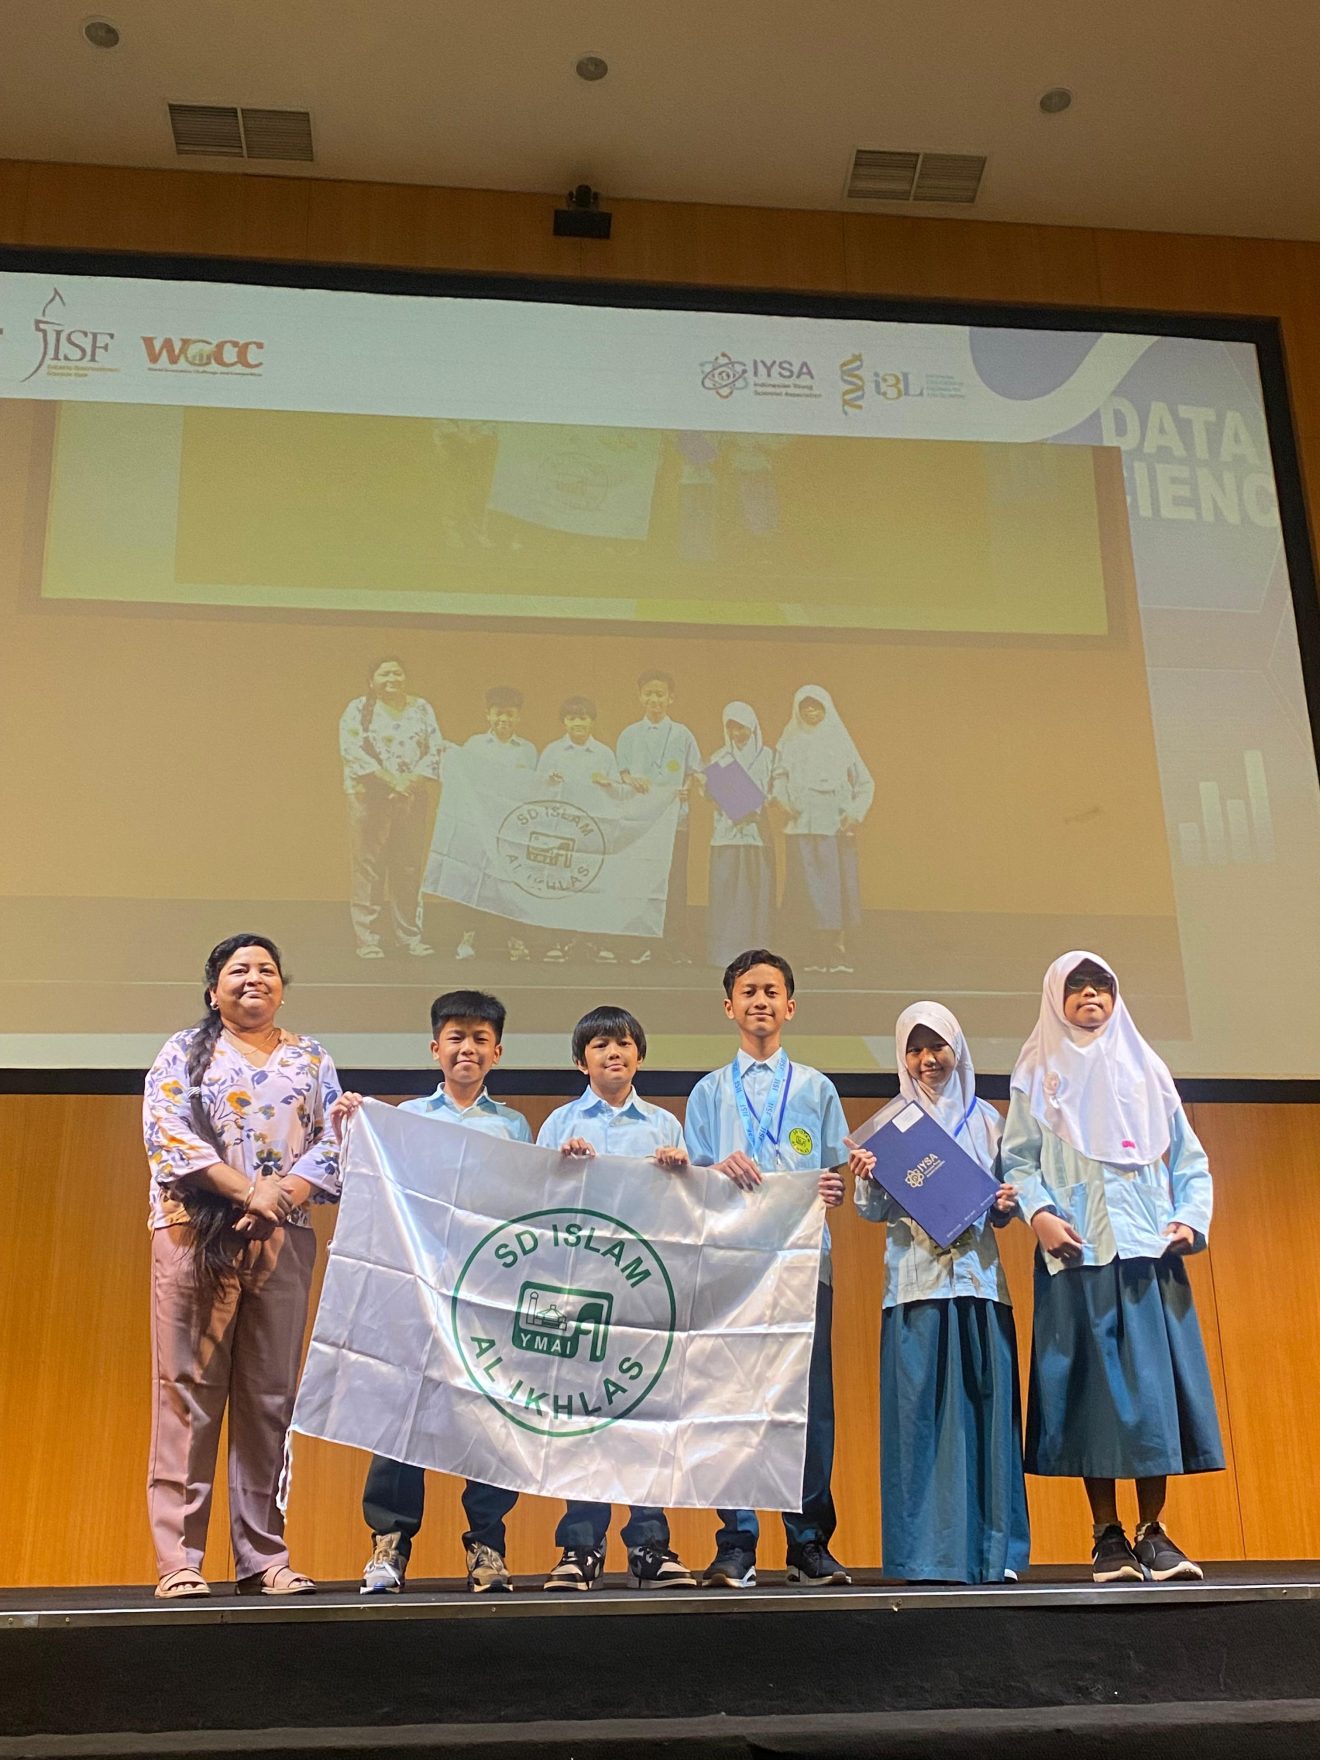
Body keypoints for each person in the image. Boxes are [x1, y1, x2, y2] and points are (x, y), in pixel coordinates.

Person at [1001, 952, 1223, 1584]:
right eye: (1076, 988)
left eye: (1101, 986)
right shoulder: (1036, 1071)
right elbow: (1017, 1161)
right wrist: (1040, 1214)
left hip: (1148, 1256)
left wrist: (1190, 1218)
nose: (1090, 996)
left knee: (1152, 1398)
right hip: (1079, 1254)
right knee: (1092, 1400)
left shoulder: (1147, 1068)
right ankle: (1106, 1534)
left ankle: (1153, 1530)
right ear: (1056, 998)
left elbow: (1190, 1160)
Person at [142, 934, 341, 1600]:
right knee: (187, 1394)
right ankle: (180, 1559)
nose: (255, 978)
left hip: (283, 1237)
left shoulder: (311, 1056)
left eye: (267, 970)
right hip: (195, 1234)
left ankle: (263, 1556)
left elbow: (333, 1143)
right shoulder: (182, 1050)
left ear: (282, 987)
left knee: (269, 1399)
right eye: (239, 970)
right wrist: (248, 1191)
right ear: (213, 990)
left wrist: (278, 1198)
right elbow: (169, 1135)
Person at [335, 989, 532, 1597]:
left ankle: (488, 1546)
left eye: (480, 1039)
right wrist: (350, 1127)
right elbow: (365, 1185)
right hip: (417, 1291)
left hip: (484, 1294)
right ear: (435, 1048)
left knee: (489, 1419)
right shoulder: (405, 1118)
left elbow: (522, 1207)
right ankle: (389, 1544)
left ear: (497, 1052)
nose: (467, 1048)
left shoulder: (513, 1125)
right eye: (455, 1037)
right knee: (401, 1416)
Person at [683, 947, 867, 1588]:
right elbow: (691, 1182)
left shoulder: (816, 1088)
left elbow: (833, 1171)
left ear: (790, 1006)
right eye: (748, 992)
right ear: (728, 1006)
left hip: (803, 1264)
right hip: (732, 1267)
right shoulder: (708, 1092)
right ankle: (736, 1542)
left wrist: (833, 1188)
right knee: (728, 1400)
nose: (760, 1001)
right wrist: (715, 1170)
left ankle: (809, 1540)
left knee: (807, 1405)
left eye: (771, 992)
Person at [852, 1002, 1030, 1584]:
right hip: (915, 1289)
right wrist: (866, 1178)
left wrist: (1006, 1204)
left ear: (958, 1049)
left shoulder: (989, 1121)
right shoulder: (888, 1128)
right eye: (915, 1049)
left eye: (938, 1047)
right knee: (918, 1427)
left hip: (980, 1286)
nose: (927, 1059)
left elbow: (1006, 1206)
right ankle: (923, 1556)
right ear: (902, 1057)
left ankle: (994, 1554)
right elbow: (871, 1212)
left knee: (987, 1420)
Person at [535, 1004, 698, 1591]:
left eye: (624, 1044)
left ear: (640, 1056)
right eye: (600, 1045)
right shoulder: (558, 1124)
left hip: (645, 1289)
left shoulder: (664, 1126)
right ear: (582, 1062)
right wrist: (561, 1168)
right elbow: (537, 1206)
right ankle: (580, 1546)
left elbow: (686, 1214)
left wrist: (682, 1172)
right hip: (576, 1287)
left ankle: (650, 1543)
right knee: (581, 1415)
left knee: (645, 1414)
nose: (613, 1053)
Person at [338, 656, 446, 960]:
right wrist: (391, 781)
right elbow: (352, 751)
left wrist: (409, 783)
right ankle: (368, 939)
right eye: (384, 673)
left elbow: (435, 749)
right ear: (371, 680)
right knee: (368, 867)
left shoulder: (421, 708)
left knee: (408, 867)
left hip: (411, 798)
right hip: (369, 797)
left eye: (397, 673)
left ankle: (409, 937)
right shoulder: (358, 709)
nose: (392, 679)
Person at [774, 687, 873, 975]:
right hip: (802, 828)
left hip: (833, 830)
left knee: (835, 890)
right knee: (806, 891)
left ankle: (836, 950)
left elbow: (865, 783)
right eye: (805, 706)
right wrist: (785, 801)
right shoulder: (790, 741)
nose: (810, 711)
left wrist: (853, 813)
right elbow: (779, 777)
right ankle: (810, 951)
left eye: (816, 706)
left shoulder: (840, 740)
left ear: (826, 708)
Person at [616, 670, 702, 965]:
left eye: (660, 694)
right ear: (640, 697)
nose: (655, 699)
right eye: (649, 693)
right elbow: (622, 773)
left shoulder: (682, 733)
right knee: (640, 882)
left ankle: (672, 945)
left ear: (671, 698)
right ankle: (639, 944)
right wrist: (631, 780)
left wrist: (686, 789)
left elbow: (693, 771)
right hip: (641, 824)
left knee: (674, 883)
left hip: (675, 821)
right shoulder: (629, 734)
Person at [538, 696, 624, 965]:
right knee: (559, 885)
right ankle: (558, 941)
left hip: (592, 832)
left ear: (592, 721)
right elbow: (537, 787)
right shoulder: (552, 752)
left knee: (592, 884)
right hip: (560, 830)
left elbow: (618, 792)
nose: (578, 723)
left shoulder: (604, 754)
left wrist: (608, 784)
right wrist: (550, 781)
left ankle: (595, 942)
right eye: (572, 718)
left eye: (583, 718)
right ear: (564, 721)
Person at [455, 685, 537, 964]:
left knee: (514, 884)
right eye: (498, 713)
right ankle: (467, 938)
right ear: (487, 715)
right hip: (480, 826)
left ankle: (516, 940)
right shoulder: (474, 745)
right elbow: (464, 782)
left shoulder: (527, 750)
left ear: (518, 717)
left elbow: (533, 789)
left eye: (510, 714)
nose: (504, 719)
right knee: (474, 881)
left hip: (512, 830)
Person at [702, 702, 776, 969]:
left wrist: (758, 806)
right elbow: (710, 794)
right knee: (727, 895)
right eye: (732, 728)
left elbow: (776, 790)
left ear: (752, 726)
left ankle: (757, 954)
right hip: (727, 835)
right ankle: (725, 952)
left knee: (756, 894)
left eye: (742, 727)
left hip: (757, 835)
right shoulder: (719, 757)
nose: (737, 733)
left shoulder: (768, 756)